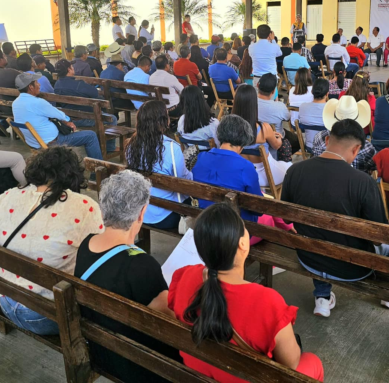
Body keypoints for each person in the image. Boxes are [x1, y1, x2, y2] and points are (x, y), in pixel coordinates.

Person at [168, 203, 324, 381]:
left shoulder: (183, 277)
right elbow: (291, 364)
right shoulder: (267, 302)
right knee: (312, 362)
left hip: (196, 372)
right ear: (242, 243)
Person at [0, 147, 103, 335]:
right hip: (48, 315)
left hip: (5, 299)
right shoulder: (84, 207)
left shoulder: (7, 196)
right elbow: (100, 259)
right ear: (73, 174)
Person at [282, 118, 389, 315]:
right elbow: (380, 235)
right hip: (353, 268)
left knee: (317, 236)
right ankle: (388, 294)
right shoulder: (363, 183)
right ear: (356, 149)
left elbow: (286, 218)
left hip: (309, 258)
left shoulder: (295, 170)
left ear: (327, 140)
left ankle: (322, 297)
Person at [74, 170, 179, 382]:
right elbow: (171, 320)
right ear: (142, 213)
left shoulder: (86, 244)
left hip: (100, 351)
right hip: (137, 363)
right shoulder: (141, 265)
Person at [126, 100, 191, 230]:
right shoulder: (172, 148)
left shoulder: (130, 145)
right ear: (163, 121)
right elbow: (183, 183)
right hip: (166, 215)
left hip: (138, 211)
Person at [231, 84, 292, 187]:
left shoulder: (229, 128)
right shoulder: (263, 128)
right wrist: (279, 138)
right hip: (266, 176)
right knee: (291, 168)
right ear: (254, 104)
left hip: (239, 175)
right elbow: (277, 146)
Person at [256, 74, 298, 153]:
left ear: (257, 85)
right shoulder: (279, 106)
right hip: (277, 138)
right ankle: (283, 157)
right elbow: (288, 118)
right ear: (273, 91)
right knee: (297, 140)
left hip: (255, 138)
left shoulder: (249, 103)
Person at [298, 79, 329, 151]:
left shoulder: (303, 106)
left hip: (310, 147)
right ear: (327, 94)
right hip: (328, 148)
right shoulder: (332, 109)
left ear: (312, 92)